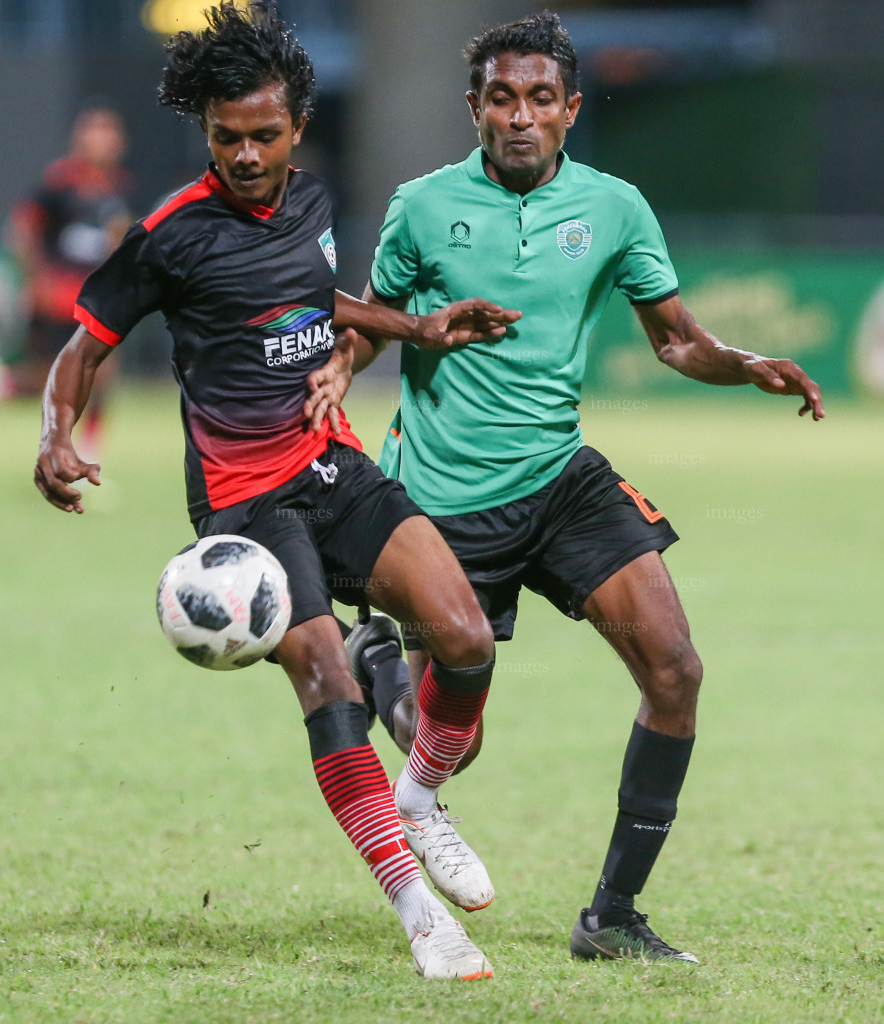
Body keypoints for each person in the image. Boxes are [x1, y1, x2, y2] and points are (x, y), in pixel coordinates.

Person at [312, 12, 823, 964]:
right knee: (448, 740)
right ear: (474, 109)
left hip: (561, 479)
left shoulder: (615, 207)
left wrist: (743, 363)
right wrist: (342, 365)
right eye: (501, 98)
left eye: (540, 99)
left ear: (570, 109)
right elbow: (376, 320)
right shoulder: (422, 205)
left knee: (674, 670)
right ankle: (381, 658)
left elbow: (674, 338)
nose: (520, 116)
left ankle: (613, 917)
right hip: (443, 493)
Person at [32, 1, 523, 980]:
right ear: (205, 132)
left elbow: (305, 292)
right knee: (324, 676)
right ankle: (419, 912)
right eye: (226, 138)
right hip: (244, 506)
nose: (246, 154)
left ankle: (420, 798)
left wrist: (411, 328)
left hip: (331, 462)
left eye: (263, 135)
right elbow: (85, 345)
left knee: (465, 637)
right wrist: (55, 436)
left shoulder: (310, 198)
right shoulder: (170, 234)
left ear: (296, 126)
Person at [0, 101, 134, 457]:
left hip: (94, 297)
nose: (106, 140)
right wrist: (35, 280)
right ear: (81, 138)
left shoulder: (117, 187)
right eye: (97, 131)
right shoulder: (58, 181)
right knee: (58, 375)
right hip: (59, 296)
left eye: (111, 132)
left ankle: (88, 449)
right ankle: (4, 386)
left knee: (102, 372)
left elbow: (113, 241)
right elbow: (21, 229)